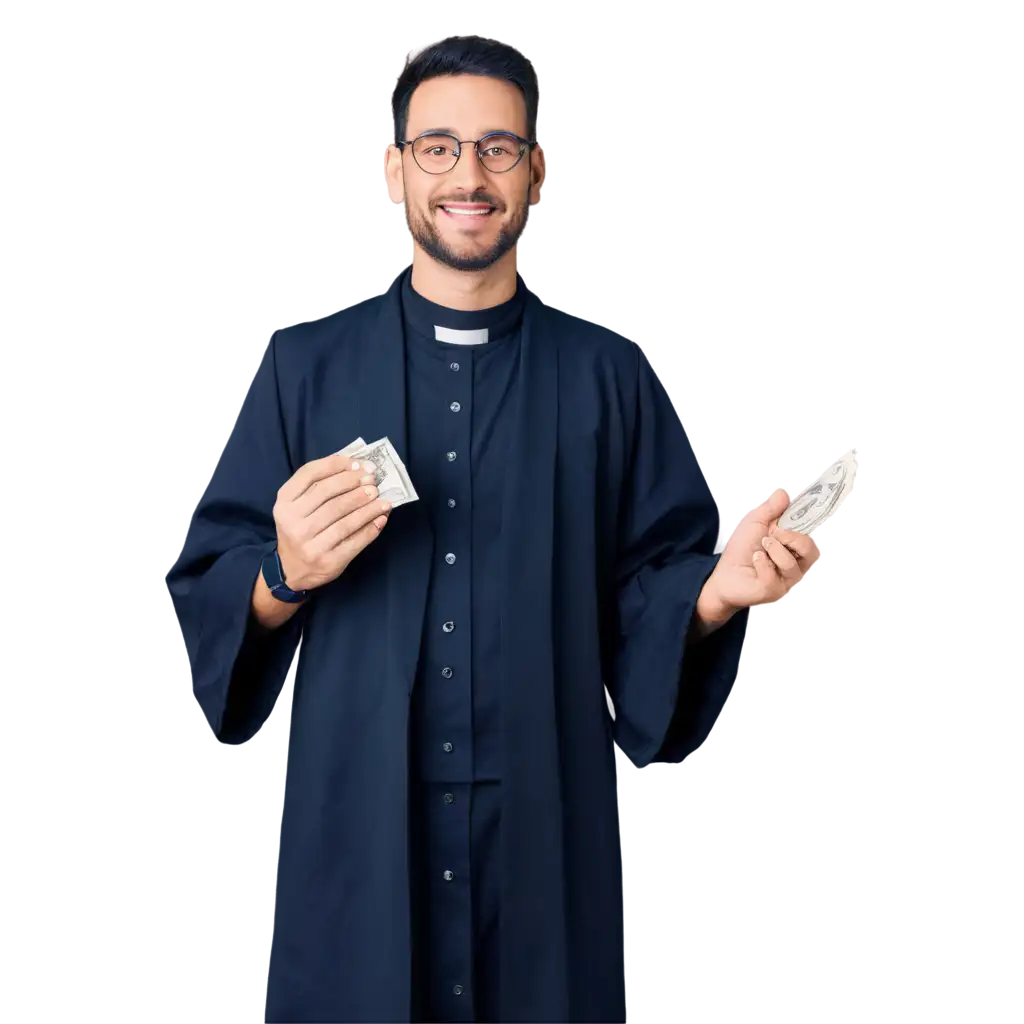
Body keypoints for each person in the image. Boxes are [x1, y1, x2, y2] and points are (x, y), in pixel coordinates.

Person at [159, 32, 819, 1024]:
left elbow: (656, 578)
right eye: (437, 148)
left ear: (536, 171)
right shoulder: (302, 367)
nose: (468, 175)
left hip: (543, 837)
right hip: (359, 834)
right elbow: (210, 579)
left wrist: (717, 590)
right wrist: (283, 572)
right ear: (391, 170)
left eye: (498, 149)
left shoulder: (610, 378)